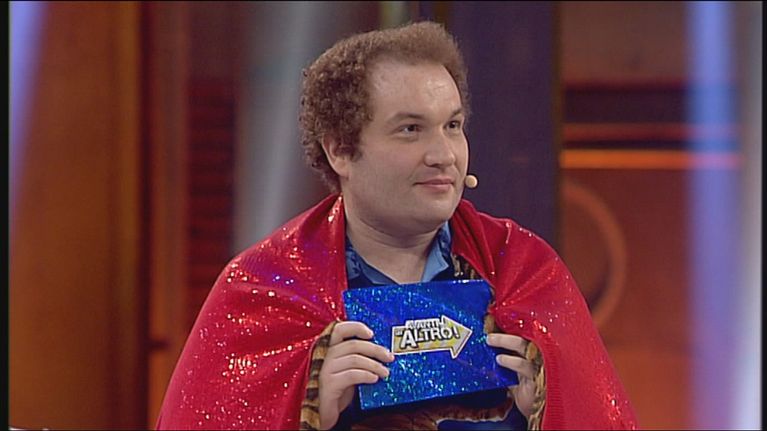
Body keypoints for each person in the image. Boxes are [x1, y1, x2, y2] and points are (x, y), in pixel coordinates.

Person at [156, 21, 637, 430]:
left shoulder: (525, 270)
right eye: (411, 129)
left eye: (452, 126)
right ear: (340, 150)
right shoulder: (264, 288)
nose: (443, 155)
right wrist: (313, 413)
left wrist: (546, 411)